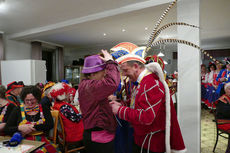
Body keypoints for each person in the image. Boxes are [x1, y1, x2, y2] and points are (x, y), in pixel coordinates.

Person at [109, 43, 186, 153]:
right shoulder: (141, 82)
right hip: (143, 139)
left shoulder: (150, 83)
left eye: (125, 70)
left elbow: (146, 117)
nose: (124, 75)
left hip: (151, 142)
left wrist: (120, 110)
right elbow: (137, 104)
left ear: (136, 66)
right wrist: (122, 104)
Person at [78, 50, 120, 153]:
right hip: (99, 137)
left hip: (95, 134)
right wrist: (110, 62)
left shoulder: (86, 84)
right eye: (103, 71)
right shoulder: (91, 86)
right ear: (93, 73)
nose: (105, 73)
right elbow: (112, 83)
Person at [4, 86, 57, 153]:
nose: (30, 102)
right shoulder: (17, 110)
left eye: (32, 99)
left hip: (41, 139)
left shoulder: (43, 108)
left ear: (37, 98)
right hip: (23, 140)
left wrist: (34, 127)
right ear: (23, 99)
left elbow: (50, 124)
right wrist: (19, 128)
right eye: (27, 100)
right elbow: (7, 129)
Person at [215, 82, 230, 153]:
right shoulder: (222, 99)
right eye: (229, 89)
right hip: (223, 121)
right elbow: (226, 113)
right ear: (225, 90)